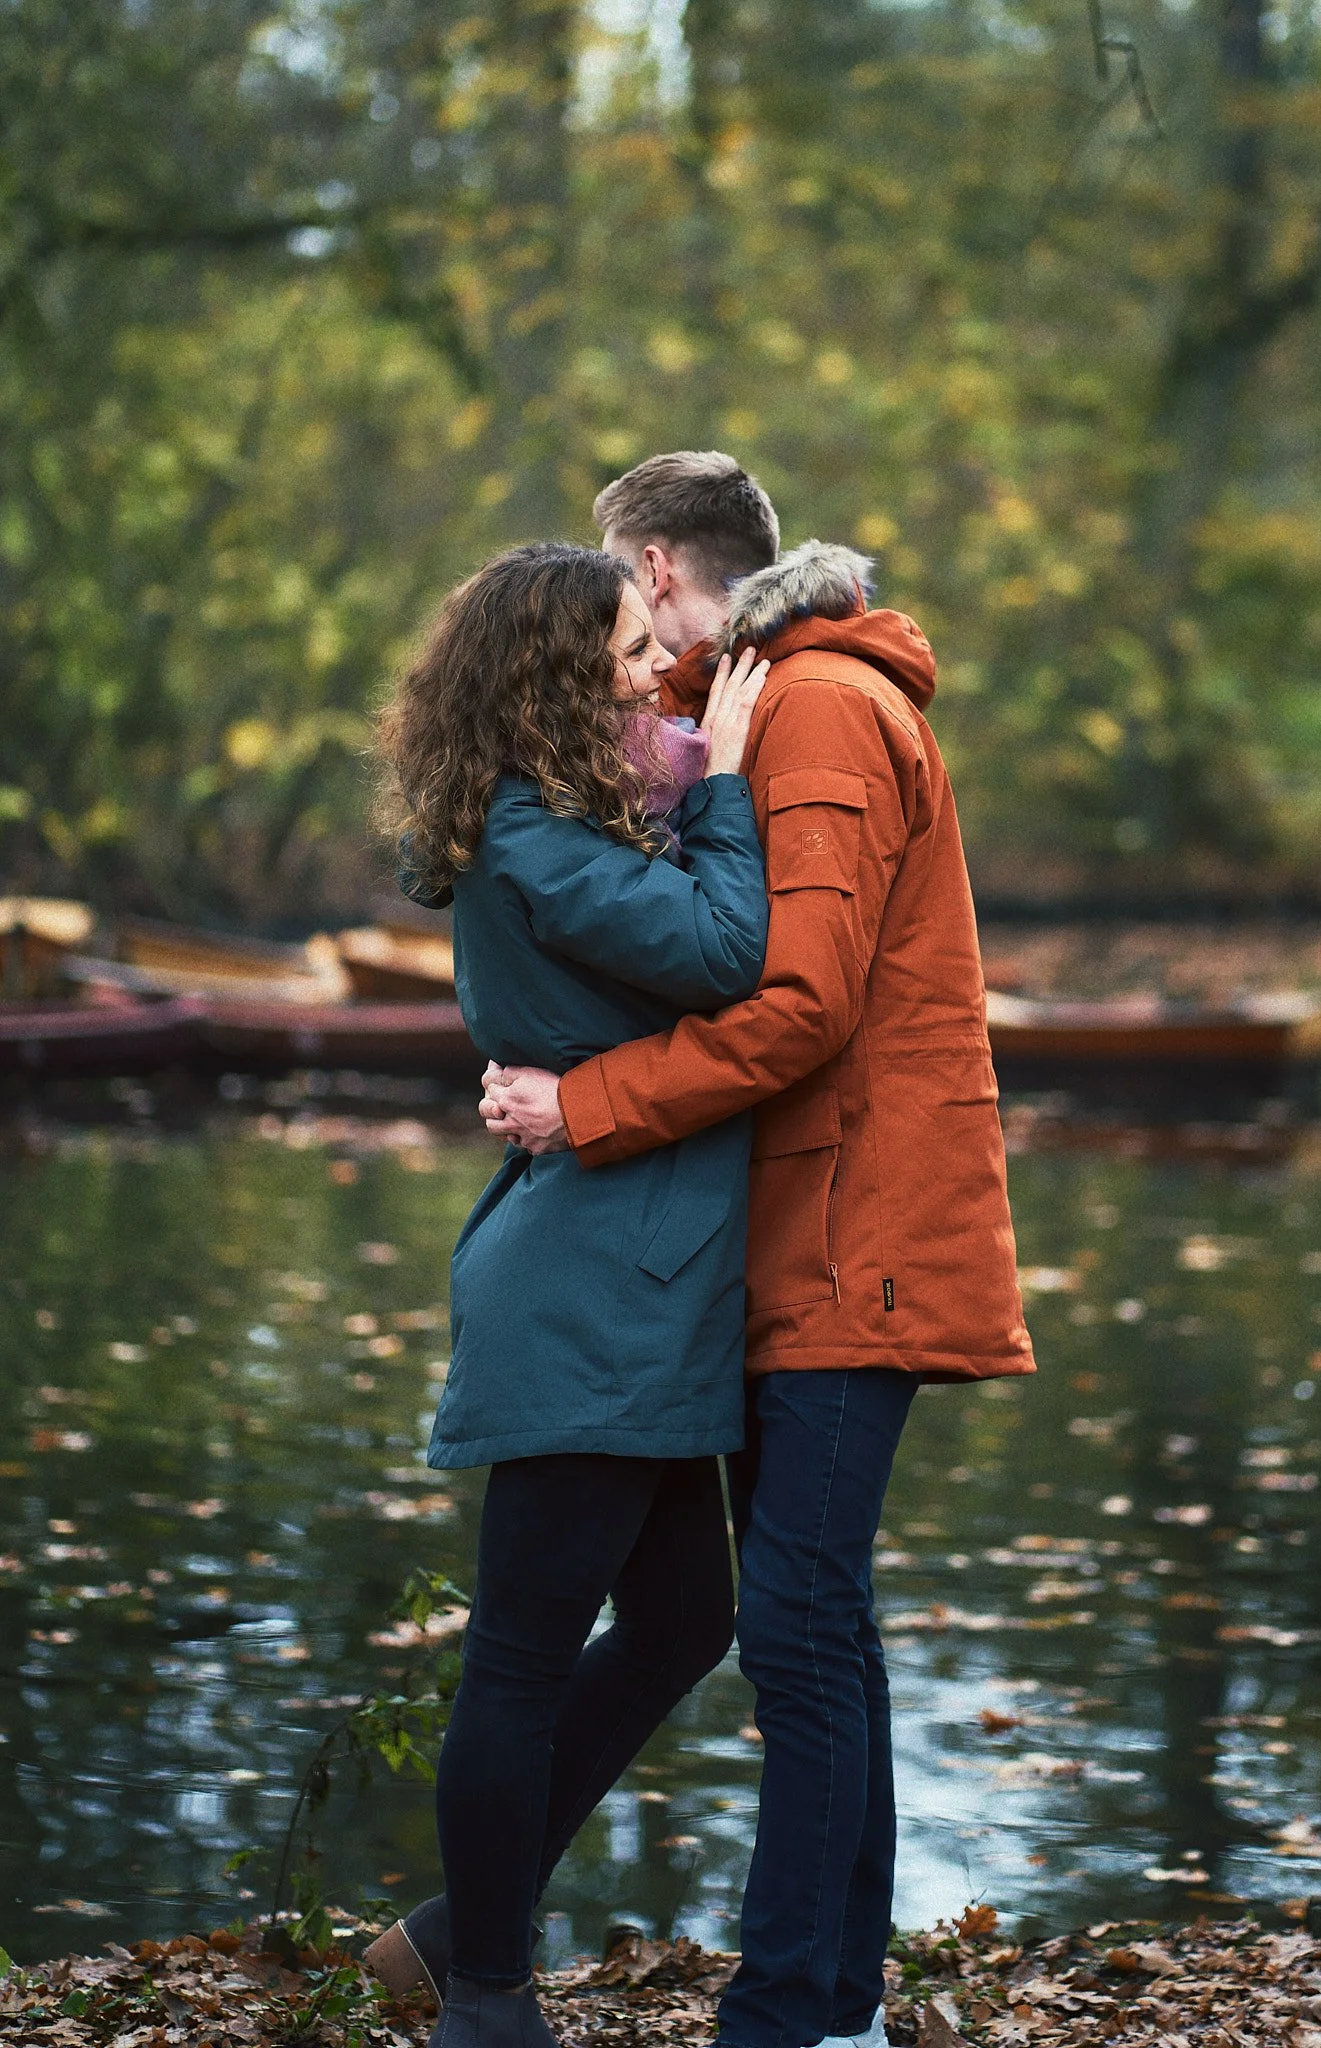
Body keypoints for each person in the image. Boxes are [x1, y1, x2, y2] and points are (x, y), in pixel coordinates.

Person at [480, 456, 1037, 2048]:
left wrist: (583, 1105)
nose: (618, 635)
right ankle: (827, 1999)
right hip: (798, 1232)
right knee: (815, 1618)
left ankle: (788, 2010)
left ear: (658, 570)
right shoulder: (770, 708)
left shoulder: (818, 710)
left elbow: (800, 1003)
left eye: (615, 593)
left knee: (791, 1617)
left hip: (857, 1233)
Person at [369, 540, 772, 2048]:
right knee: (525, 1656)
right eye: (615, 646)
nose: (640, 665)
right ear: (547, 673)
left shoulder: (555, 814)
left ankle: (448, 1930)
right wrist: (725, 776)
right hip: (593, 1281)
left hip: (634, 1266)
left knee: (683, 1616)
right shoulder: (536, 831)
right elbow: (733, 952)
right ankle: (485, 1993)